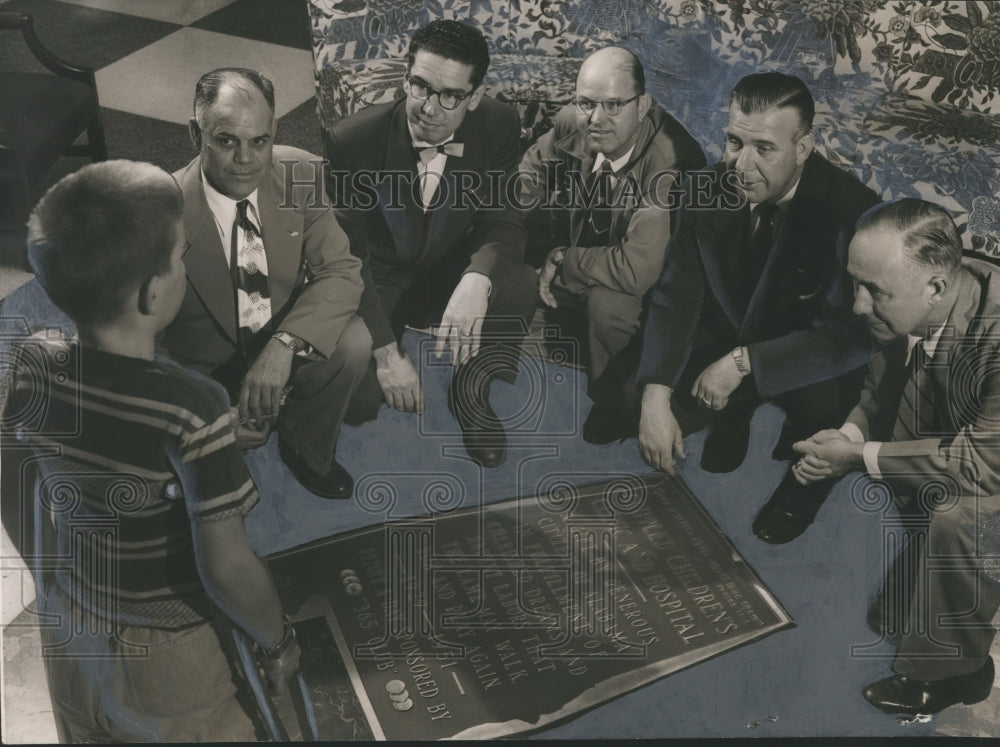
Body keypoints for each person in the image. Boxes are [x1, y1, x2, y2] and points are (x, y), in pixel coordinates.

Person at [2, 160, 300, 741]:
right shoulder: (194, 406)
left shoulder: (32, 363)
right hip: (169, 652)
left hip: (73, 628)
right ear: (152, 291)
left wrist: (54, 583)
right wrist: (278, 639)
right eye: (181, 254)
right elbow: (227, 568)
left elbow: (16, 485)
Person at [636, 71, 879, 544]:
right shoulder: (704, 188)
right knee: (639, 395)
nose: (740, 166)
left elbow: (848, 333)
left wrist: (746, 363)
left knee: (830, 400)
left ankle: (798, 495)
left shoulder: (850, 208)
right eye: (733, 143)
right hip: (729, 328)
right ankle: (733, 417)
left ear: (804, 148)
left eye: (764, 148)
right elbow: (676, 294)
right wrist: (654, 396)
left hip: (803, 350)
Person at [792, 199, 999, 716]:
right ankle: (926, 592)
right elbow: (882, 391)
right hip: (979, 441)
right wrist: (843, 438)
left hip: (989, 457)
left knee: (961, 517)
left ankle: (958, 671)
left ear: (935, 287)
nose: (858, 305)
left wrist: (857, 456)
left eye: (874, 292)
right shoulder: (920, 296)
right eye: (855, 284)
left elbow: (980, 464)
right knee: (904, 437)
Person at [324, 19, 538, 468]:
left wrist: (477, 280)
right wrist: (385, 354)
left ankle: (471, 389)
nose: (428, 108)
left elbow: (505, 222)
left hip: (451, 263)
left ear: (475, 97)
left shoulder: (499, 124)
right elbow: (348, 257)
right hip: (382, 272)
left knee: (518, 282)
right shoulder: (353, 141)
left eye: (450, 96)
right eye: (419, 86)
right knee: (359, 405)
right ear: (406, 77)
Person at [166, 68, 370, 500]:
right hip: (205, 368)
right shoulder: (159, 211)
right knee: (200, 494)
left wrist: (284, 347)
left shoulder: (298, 172)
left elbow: (341, 270)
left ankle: (306, 448)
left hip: (277, 333)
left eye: (260, 141)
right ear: (194, 135)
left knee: (354, 340)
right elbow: (139, 345)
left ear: (274, 131)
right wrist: (212, 417)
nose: (247, 160)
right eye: (226, 141)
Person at [518, 46, 706, 444]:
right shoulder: (577, 122)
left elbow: (638, 270)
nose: (597, 119)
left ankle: (617, 401)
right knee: (508, 261)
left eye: (614, 105)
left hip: (654, 285)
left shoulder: (674, 162)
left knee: (609, 305)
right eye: (586, 102)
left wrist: (561, 260)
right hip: (590, 252)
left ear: (643, 105)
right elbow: (526, 177)